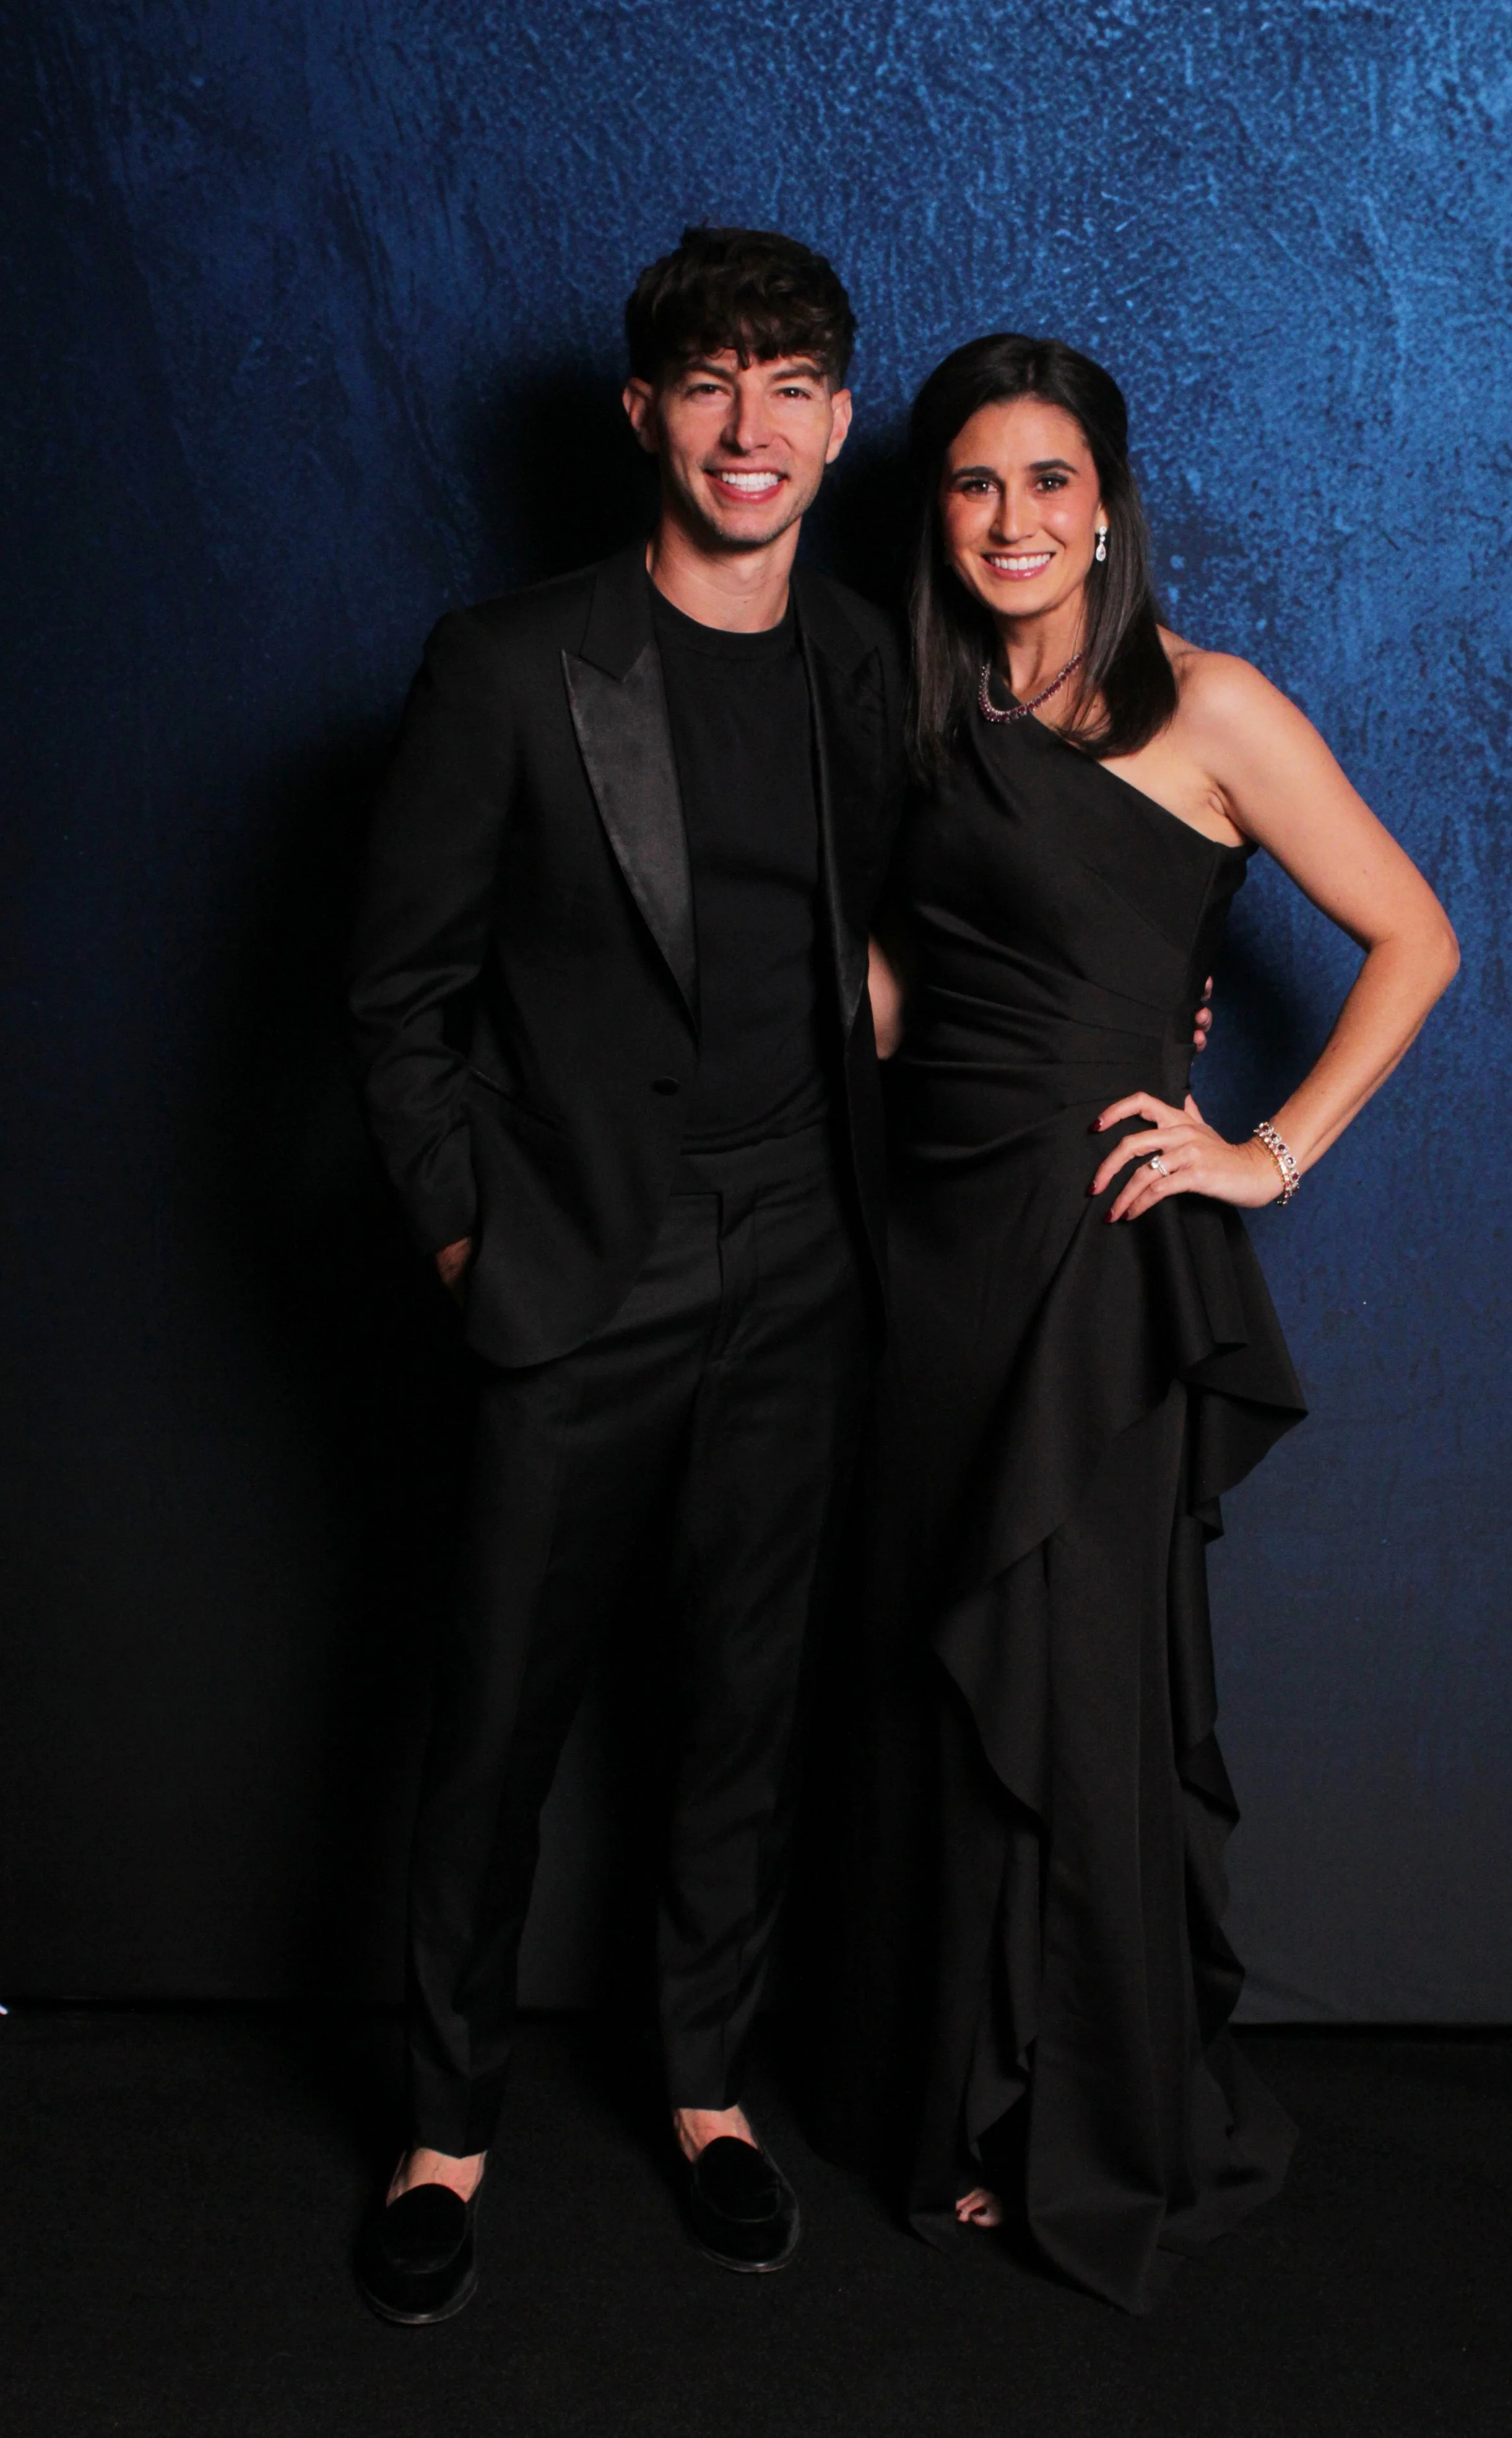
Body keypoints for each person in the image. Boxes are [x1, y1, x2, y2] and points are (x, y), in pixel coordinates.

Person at [826, 334, 1459, 2313]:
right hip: (925, 1247)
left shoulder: (1211, 705)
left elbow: (1414, 936)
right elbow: (894, 994)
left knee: (1078, 1694)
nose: (1010, 522)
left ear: (1106, 499)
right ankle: (967, 2101)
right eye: (971, 485)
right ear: (937, 510)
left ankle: (1078, 2131)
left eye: (1045, 481)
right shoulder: (907, 705)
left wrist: (1261, 1153)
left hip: (1094, 1261)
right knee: (942, 1687)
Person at [346, 226, 909, 2319]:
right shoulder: (509, 664)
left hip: (803, 1262)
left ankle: (704, 2085)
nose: (747, 426)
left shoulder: (863, 659)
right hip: (572, 1263)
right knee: (491, 1709)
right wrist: (466, 1229)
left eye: (787, 386)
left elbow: (965, 898)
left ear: (839, 424)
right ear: (643, 415)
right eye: (707, 383)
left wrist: (1139, 1008)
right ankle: (444, 2121)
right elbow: (393, 993)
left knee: (743, 1701)